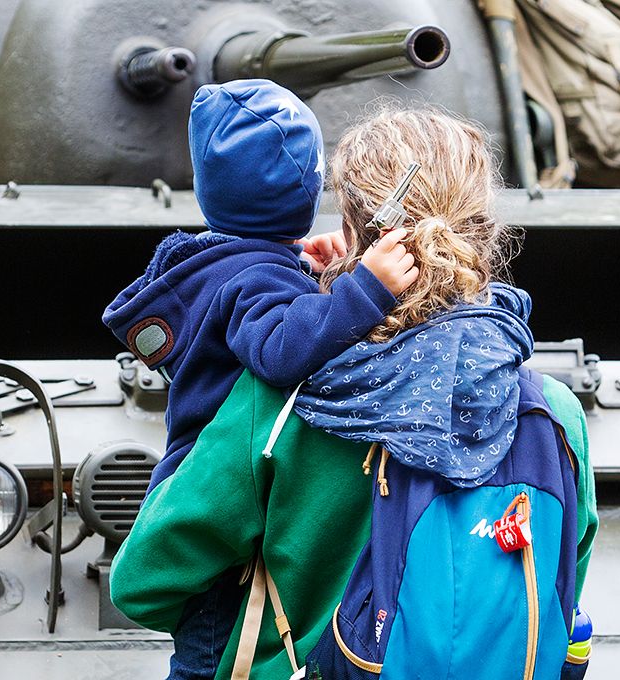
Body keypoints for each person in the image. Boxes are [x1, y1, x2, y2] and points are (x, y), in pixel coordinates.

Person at [110, 107, 599, 680]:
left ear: (356, 230)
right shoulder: (553, 412)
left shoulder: (279, 404)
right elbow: (567, 565)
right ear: (481, 227)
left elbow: (145, 580)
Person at [102, 80, 418, 679]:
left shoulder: (220, 260)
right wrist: (364, 291)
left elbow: (258, 314)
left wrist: (306, 268)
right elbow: (277, 350)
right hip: (225, 518)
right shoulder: (255, 280)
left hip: (211, 493)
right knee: (209, 658)